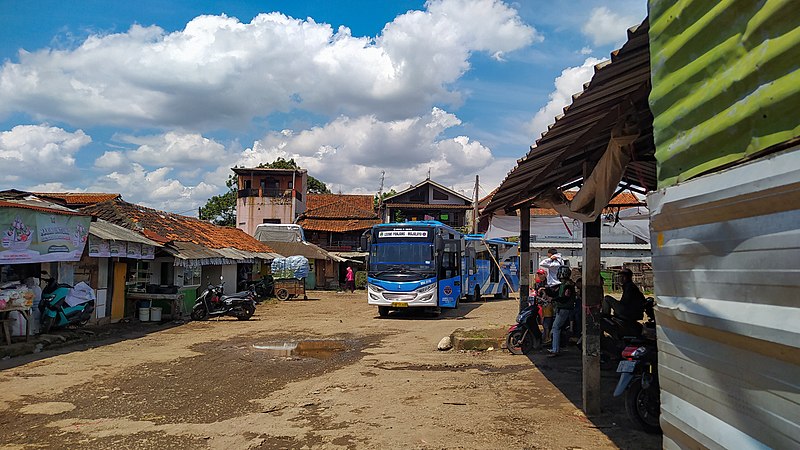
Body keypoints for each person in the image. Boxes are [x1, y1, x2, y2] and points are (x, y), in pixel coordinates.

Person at [546, 266, 576, 357]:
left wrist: (553, 299)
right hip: (562, 308)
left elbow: (564, 298)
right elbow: (556, 293)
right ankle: (556, 347)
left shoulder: (568, 285)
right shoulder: (564, 285)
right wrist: (546, 290)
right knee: (556, 327)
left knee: (555, 327)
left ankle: (555, 350)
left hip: (565, 309)